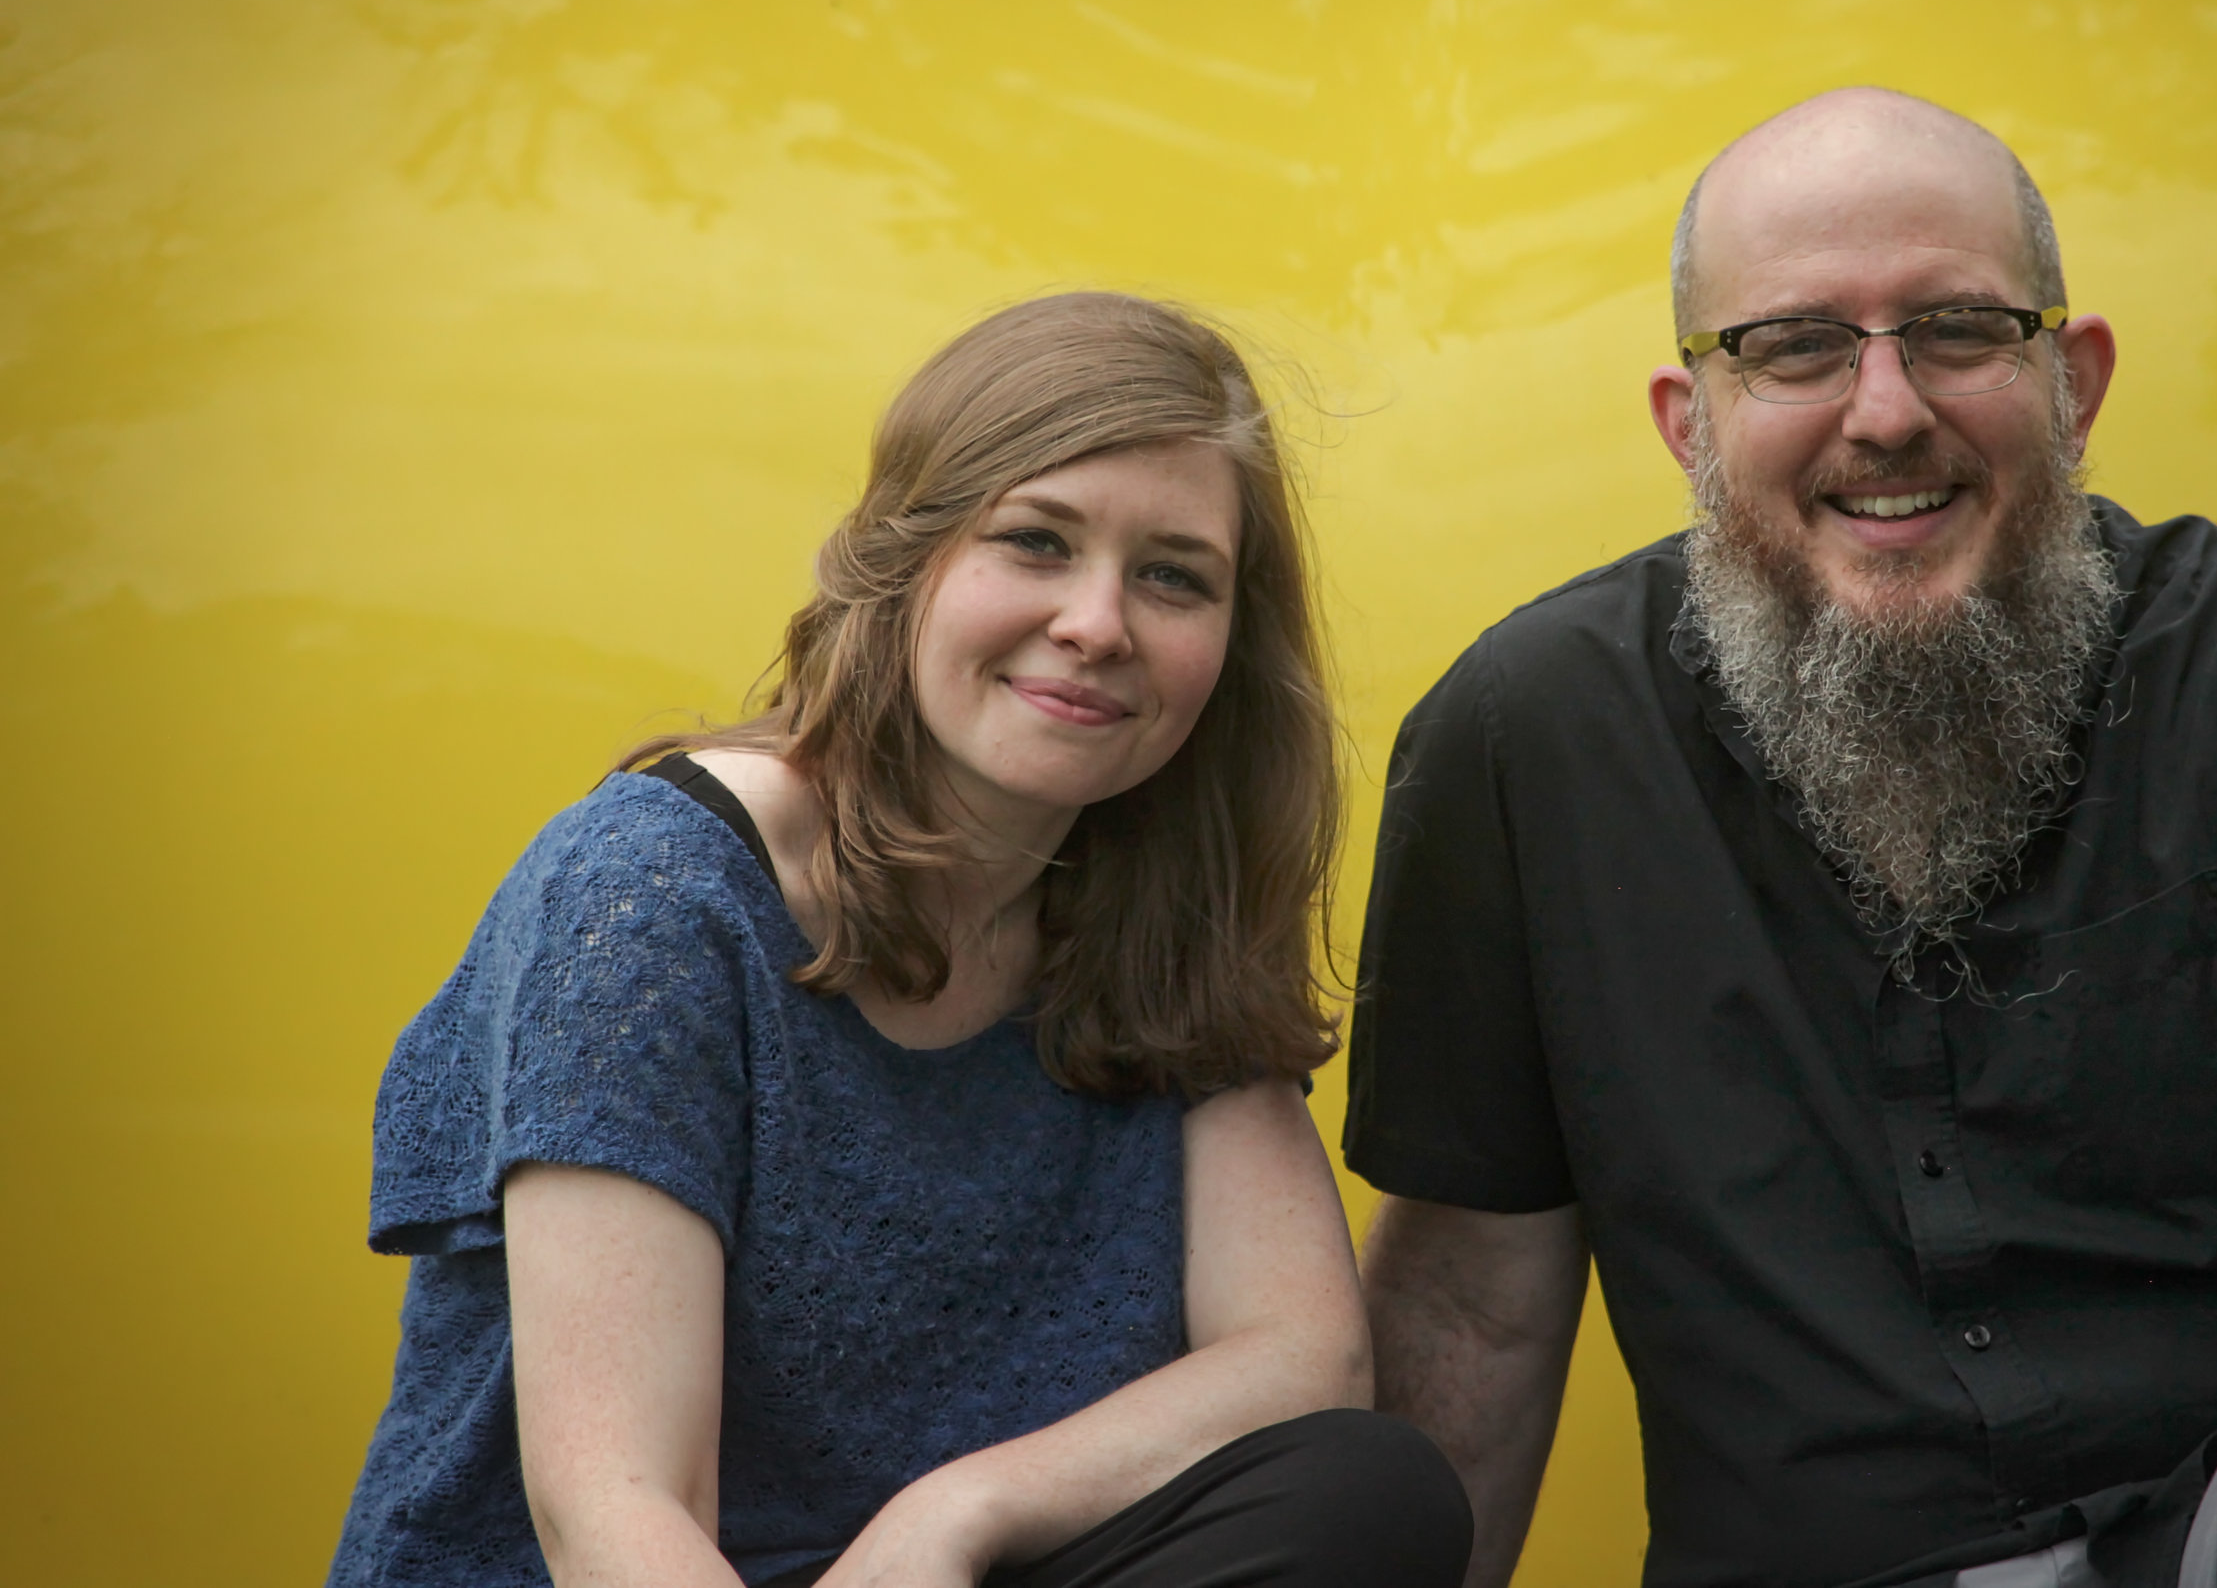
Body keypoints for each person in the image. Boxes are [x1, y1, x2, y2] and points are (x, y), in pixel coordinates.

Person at [1345, 89, 2217, 1588]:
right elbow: (1473, 1313)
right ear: (1690, 424)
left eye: (1959, 329)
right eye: (1796, 346)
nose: (1886, 411)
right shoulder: (1528, 729)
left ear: (2072, 384)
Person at [328, 292, 1472, 1588]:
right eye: (1037, 542)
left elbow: (1303, 1359)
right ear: (903, 560)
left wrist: (957, 1512)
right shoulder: (658, 889)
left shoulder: (1159, 907)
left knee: (1366, 1494)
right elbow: (615, 1507)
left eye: (1172, 576)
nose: (1100, 624)